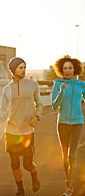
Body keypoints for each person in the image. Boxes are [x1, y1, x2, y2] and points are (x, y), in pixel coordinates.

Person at [0, 57, 42, 196]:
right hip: (11, 131)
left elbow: (39, 103)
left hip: (27, 131)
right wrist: (0, 119)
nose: (23, 70)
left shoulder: (32, 84)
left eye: (24, 67)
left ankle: (34, 175)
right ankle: (21, 190)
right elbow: (3, 109)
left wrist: (36, 116)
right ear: (12, 70)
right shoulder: (6, 89)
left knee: (27, 165)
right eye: (20, 67)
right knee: (15, 164)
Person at [51, 55, 85, 196]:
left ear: (75, 69)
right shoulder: (58, 84)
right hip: (63, 123)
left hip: (77, 123)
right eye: (65, 68)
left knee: (72, 155)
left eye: (70, 68)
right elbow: (54, 106)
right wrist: (61, 92)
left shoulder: (81, 85)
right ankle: (68, 179)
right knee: (64, 155)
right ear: (61, 70)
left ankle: (70, 187)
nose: (67, 71)